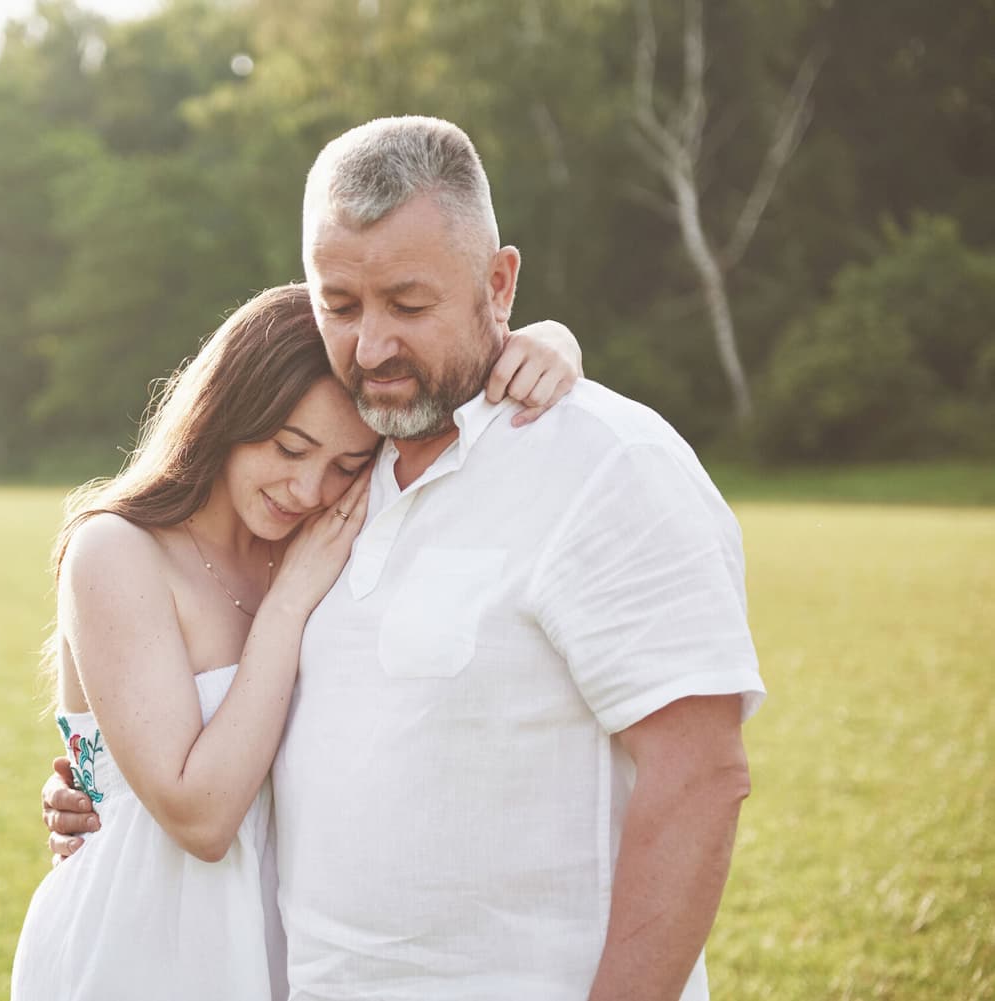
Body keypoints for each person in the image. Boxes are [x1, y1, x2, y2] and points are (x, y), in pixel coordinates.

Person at [45, 116, 766, 1000]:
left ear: (498, 283)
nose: (373, 347)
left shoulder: (607, 463)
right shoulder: (350, 479)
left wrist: (555, 343)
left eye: (410, 305)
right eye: (340, 307)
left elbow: (700, 775)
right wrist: (89, 780)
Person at [12, 282, 583, 1001]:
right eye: (290, 447)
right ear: (226, 412)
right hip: (139, 945)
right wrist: (286, 606)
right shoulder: (118, 551)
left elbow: (463, 414)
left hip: (288, 947)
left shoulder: (327, 533)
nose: (310, 488)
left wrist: (553, 343)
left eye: (347, 464)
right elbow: (204, 815)